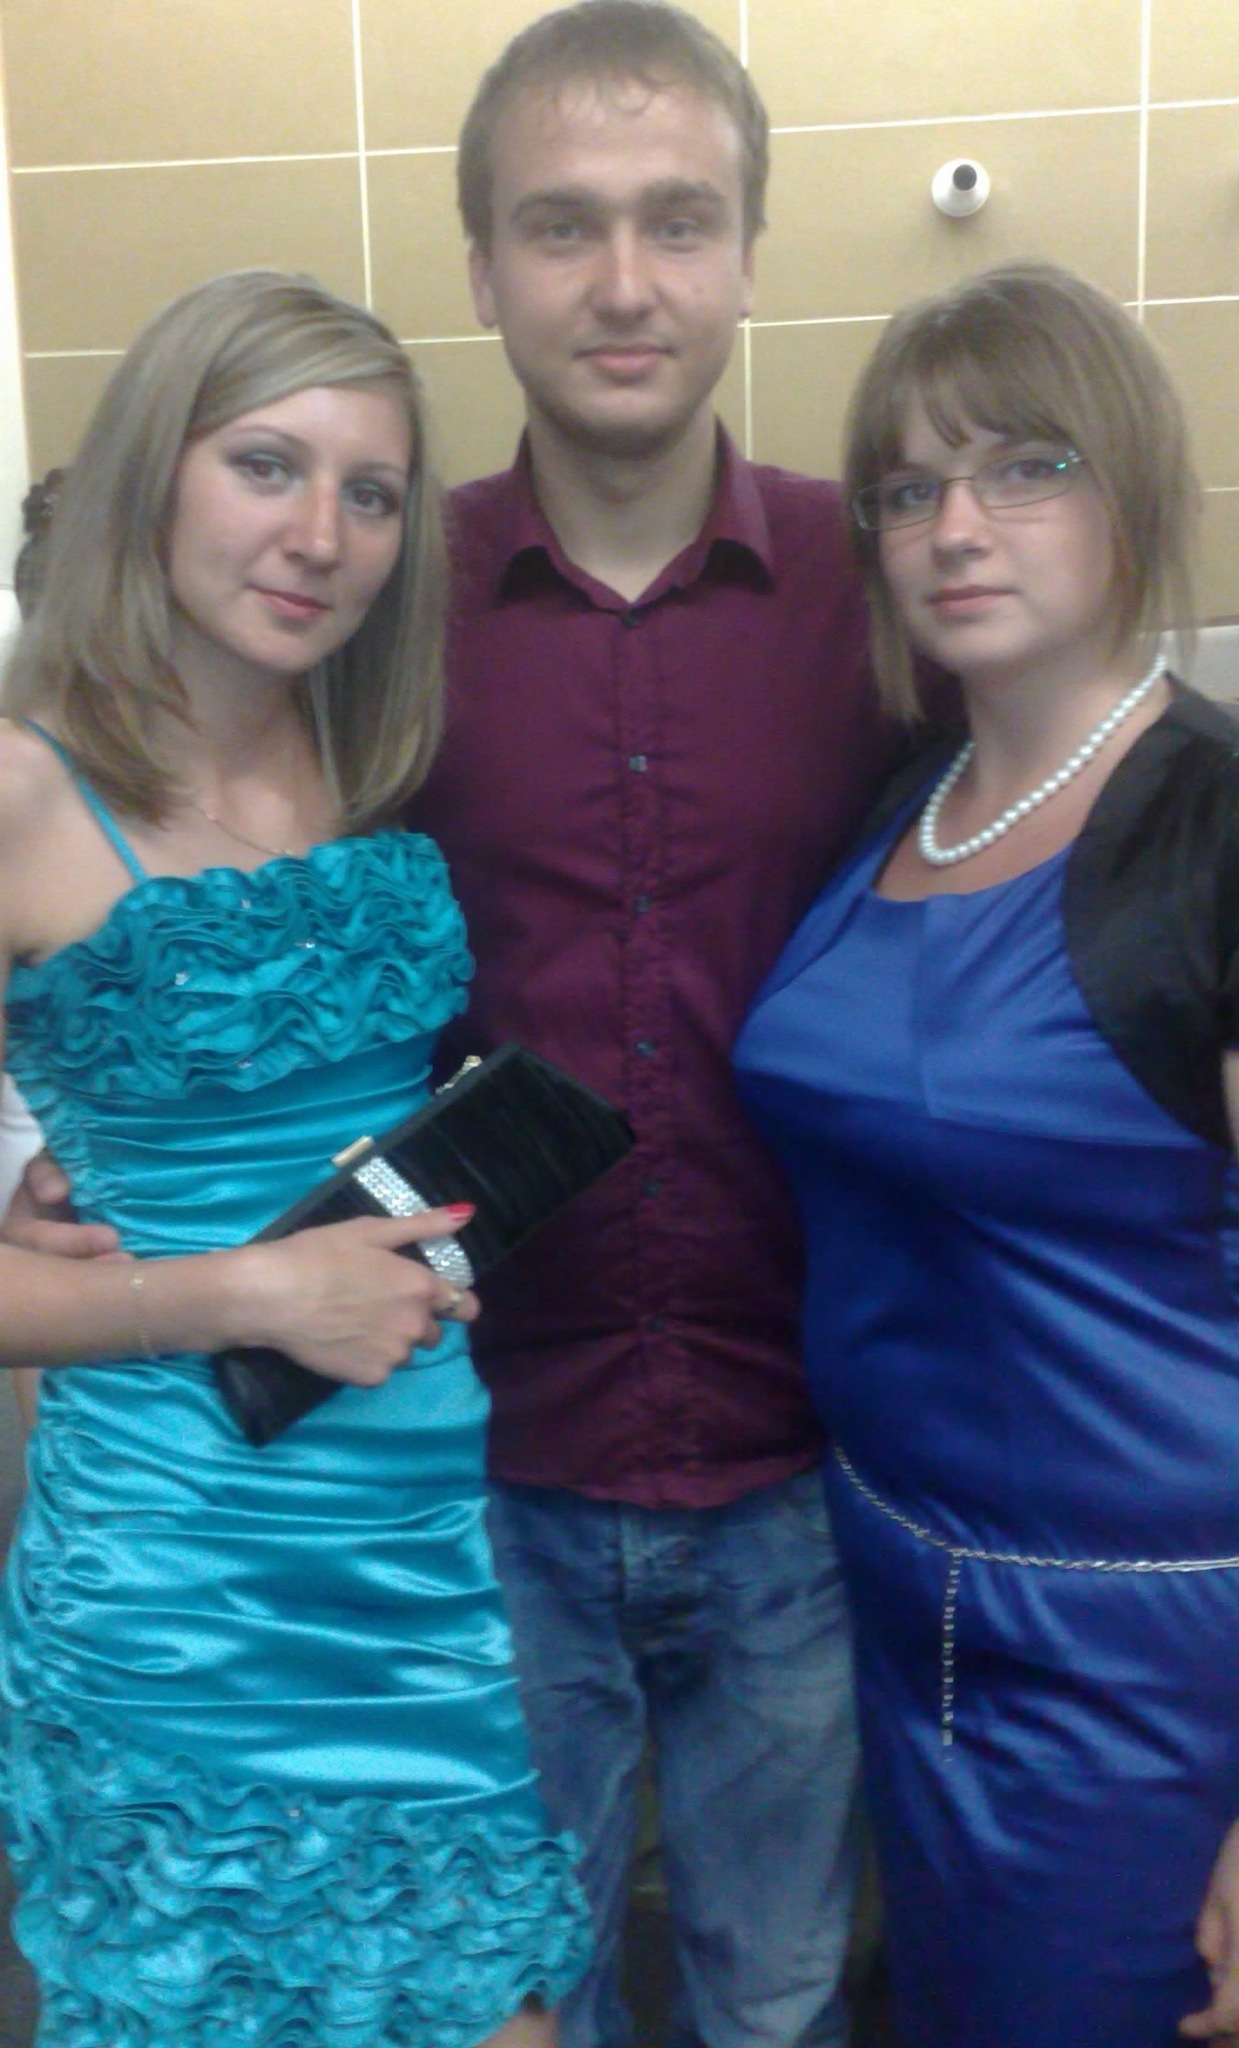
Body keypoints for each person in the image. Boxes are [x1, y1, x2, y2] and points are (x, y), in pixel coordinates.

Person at [4, 9, 894, 2040]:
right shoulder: (317, 663)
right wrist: (136, 1224)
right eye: (562, 226)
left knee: (740, 1997)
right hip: (396, 1485)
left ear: (750, 251)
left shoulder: (849, 601)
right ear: (483, 266)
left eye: (678, 221)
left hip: (735, 1450)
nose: (623, 281)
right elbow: (153, 985)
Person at [0, 267, 589, 2048]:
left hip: (416, 1549)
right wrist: (242, 1288)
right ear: (155, 471)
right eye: (267, 464)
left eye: (372, 492)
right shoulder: (23, 792)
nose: (321, 535)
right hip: (182, 1570)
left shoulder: (369, 765)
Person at [734, 260, 1239, 2048]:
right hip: (894, 1602)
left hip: (1153, 1665)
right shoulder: (909, 801)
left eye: (1028, 466)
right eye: (909, 488)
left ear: (1130, 486)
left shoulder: (1214, 827)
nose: (958, 527)